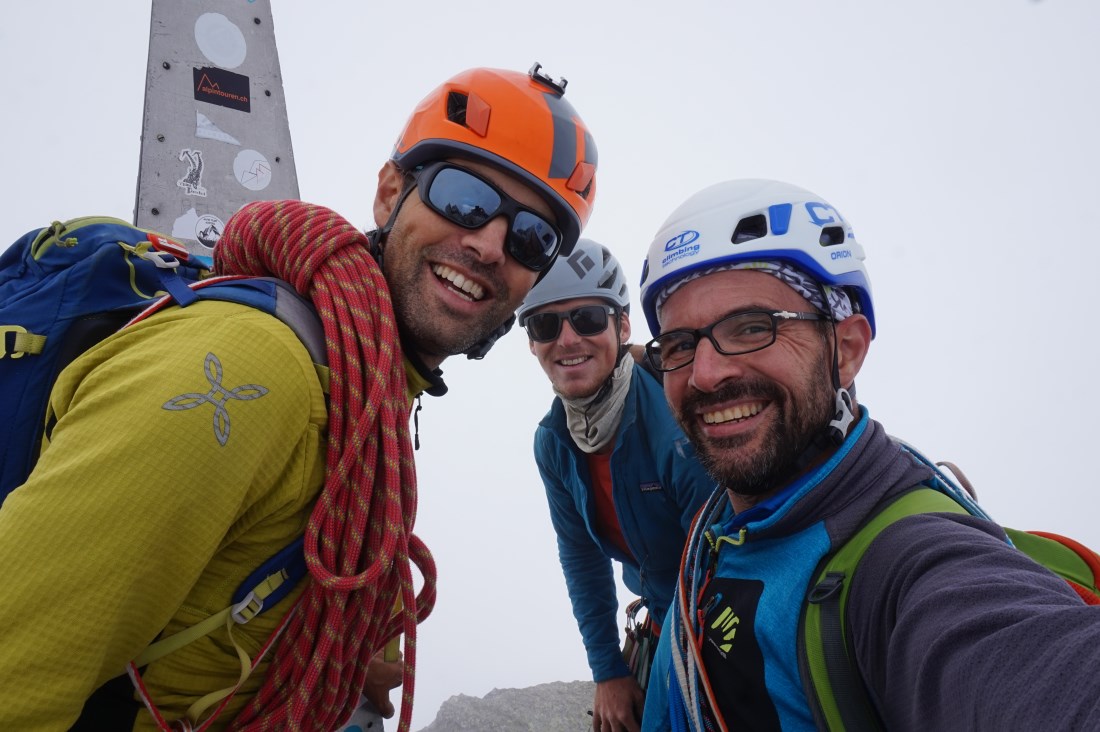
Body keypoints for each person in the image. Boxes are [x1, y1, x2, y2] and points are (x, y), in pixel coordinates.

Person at [0, 64, 598, 732]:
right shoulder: (255, 371)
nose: (490, 244)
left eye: (531, 237)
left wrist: (346, 642)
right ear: (389, 192)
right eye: (465, 197)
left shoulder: (365, 393)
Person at [636, 178, 1100, 731]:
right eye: (681, 345)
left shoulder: (906, 566)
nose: (706, 374)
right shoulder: (721, 529)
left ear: (847, 349)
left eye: (752, 327)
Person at [517, 238, 714, 732]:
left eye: (586, 318)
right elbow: (581, 555)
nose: (566, 340)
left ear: (623, 326)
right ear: (531, 342)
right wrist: (607, 670)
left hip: (712, 620)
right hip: (660, 614)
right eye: (544, 325)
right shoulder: (555, 442)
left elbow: (721, 565)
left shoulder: (675, 421)